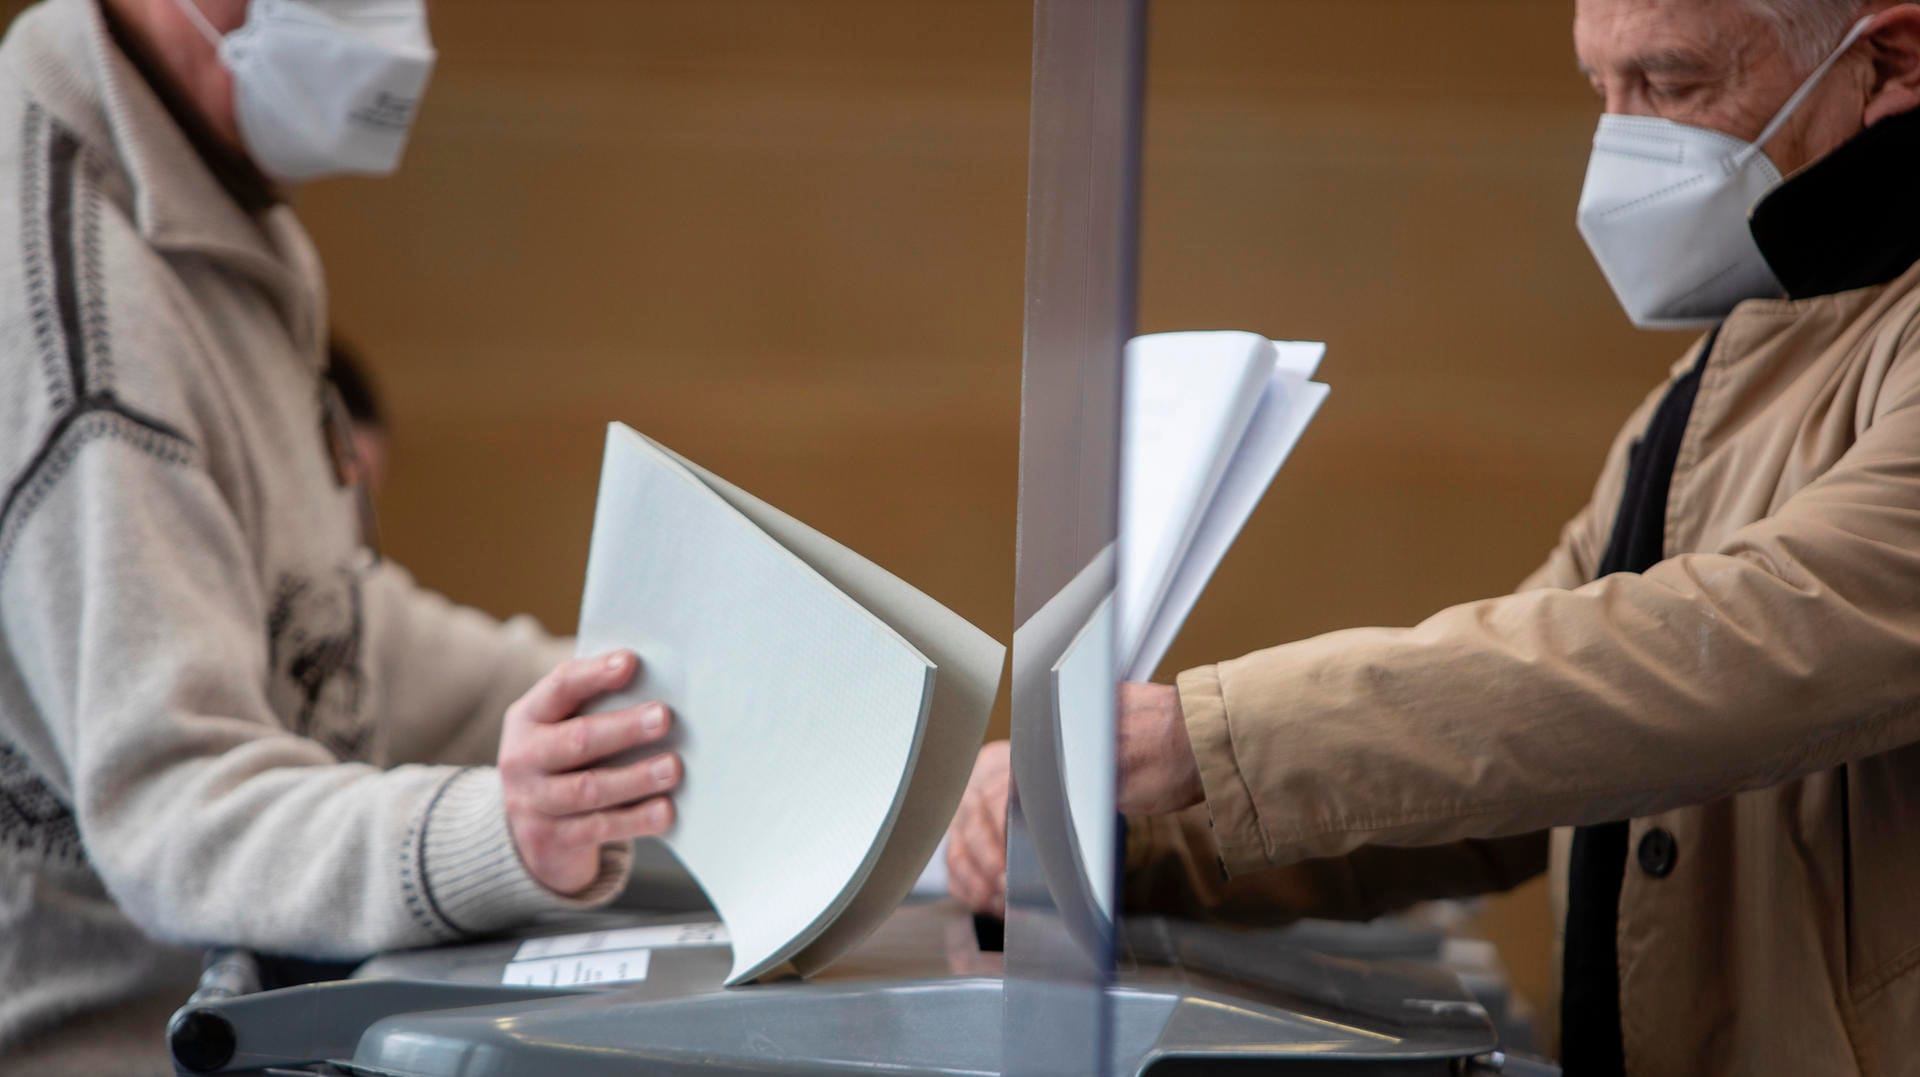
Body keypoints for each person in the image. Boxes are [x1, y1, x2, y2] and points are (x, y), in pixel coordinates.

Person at [948, 1, 1920, 1073]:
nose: (1622, 141)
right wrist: (1119, 843)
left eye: (1673, 85)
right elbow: (1500, 773)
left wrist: (1211, 738)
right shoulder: (1733, 371)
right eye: (1599, 88)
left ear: (1889, 61)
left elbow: (1731, 646)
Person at [0, 0, 685, 1071]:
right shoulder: (81, 313)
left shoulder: (223, 214)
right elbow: (175, 805)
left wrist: (658, 716)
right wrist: (494, 833)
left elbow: (325, 628)